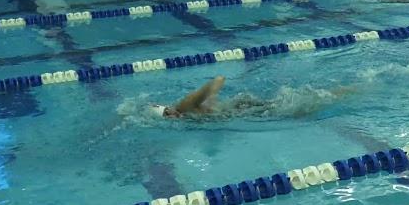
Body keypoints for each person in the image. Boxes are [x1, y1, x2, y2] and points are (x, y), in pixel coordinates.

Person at [149, 75, 355, 119]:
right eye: (167, 116)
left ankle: (351, 90)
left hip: (244, 107)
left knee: (306, 106)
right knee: (303, 106)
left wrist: (210, 99)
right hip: (245, 111)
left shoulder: (185, 105)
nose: (172, 115)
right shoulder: (186, 122)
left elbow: (218, 79)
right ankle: (348, 90)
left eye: (168, 111)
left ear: (169, 106)